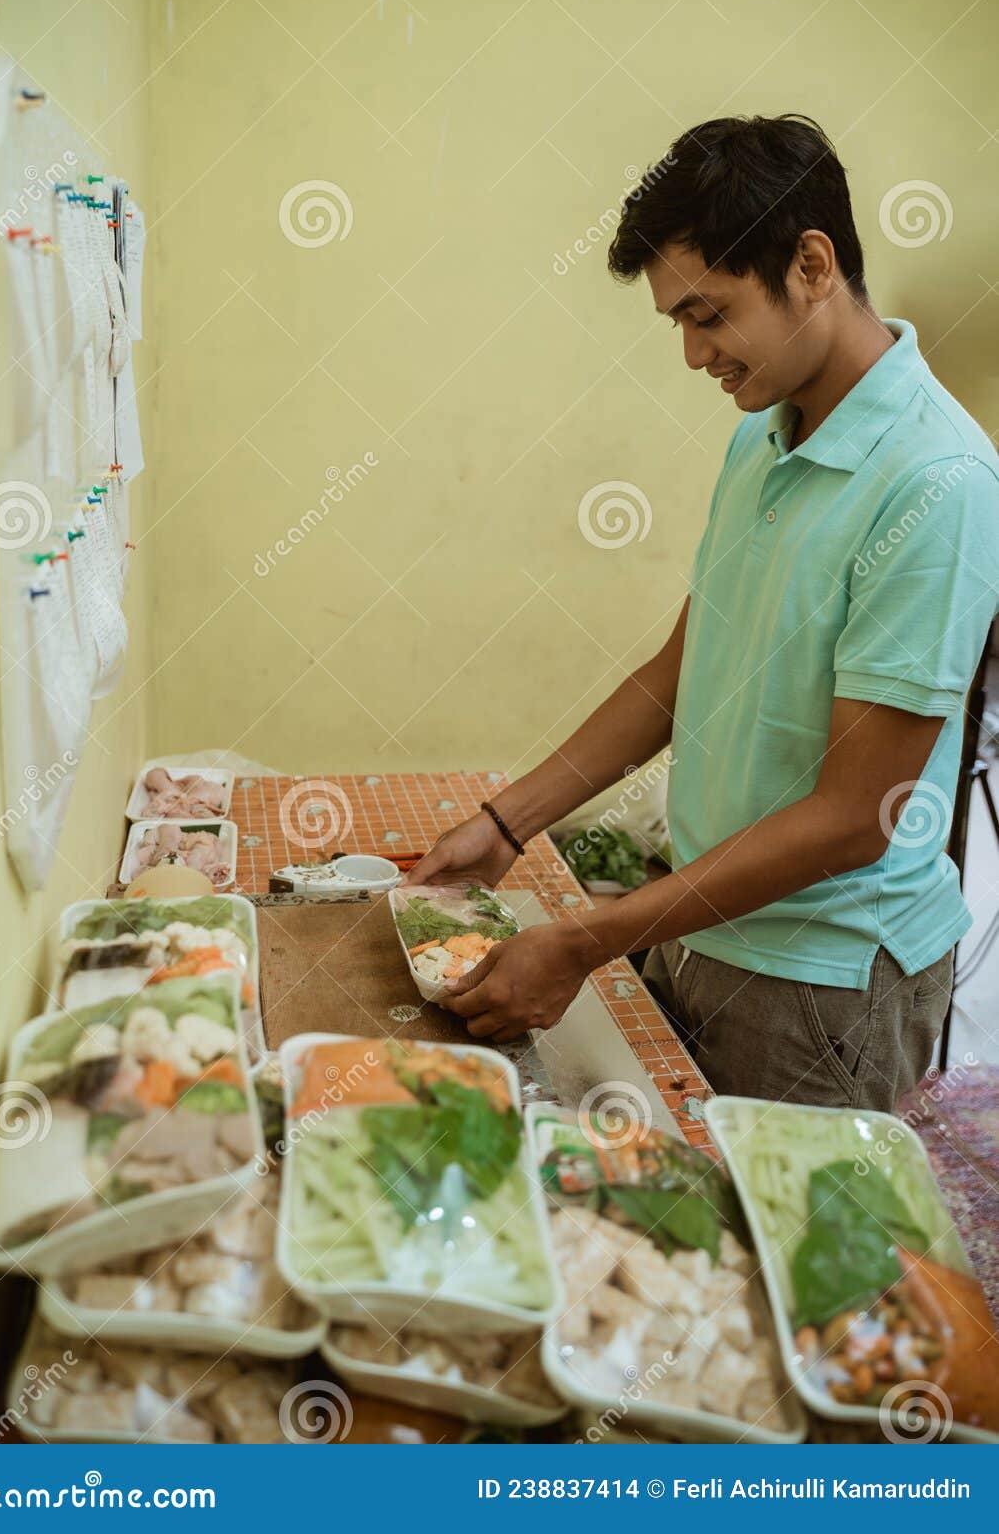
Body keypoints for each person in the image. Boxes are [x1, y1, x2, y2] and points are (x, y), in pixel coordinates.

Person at [407, 114, 999, 1112]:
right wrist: (510, 821)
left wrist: (593, 938)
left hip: (822, 981)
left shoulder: (936, 483)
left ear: (810, 266)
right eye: (676, 322)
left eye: (707, 313)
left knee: (793, 1263)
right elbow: (683, 667)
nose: (691, 354)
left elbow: (857, 818)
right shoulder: (764, 437)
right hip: (703, 924)